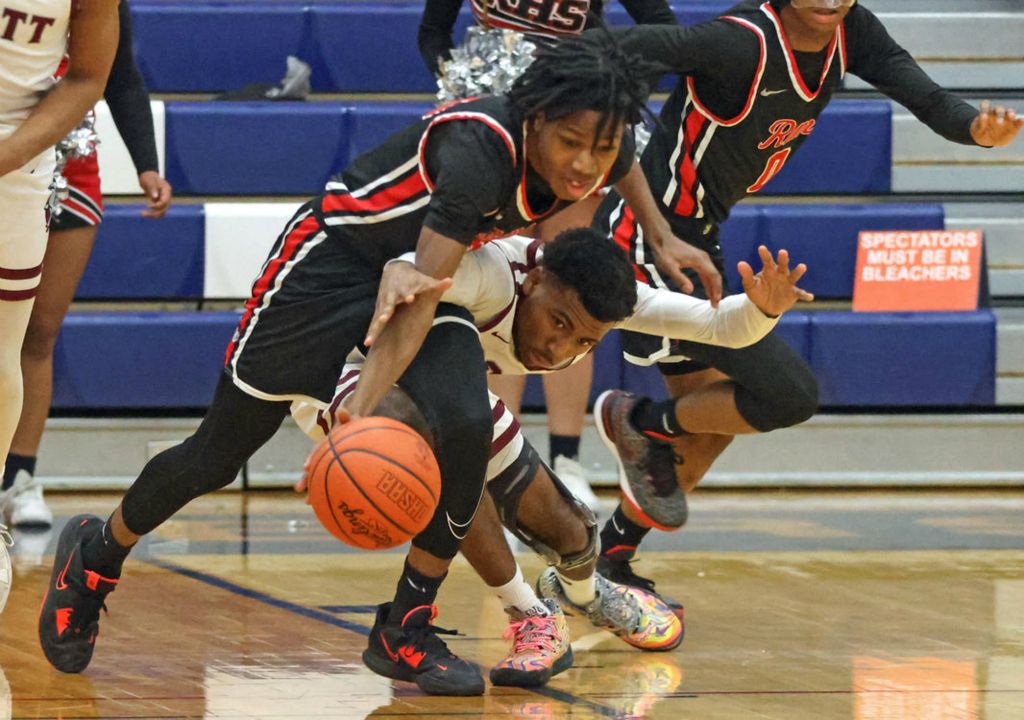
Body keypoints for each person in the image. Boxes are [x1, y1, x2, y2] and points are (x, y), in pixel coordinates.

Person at [37, 36, 717, 697]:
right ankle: (97, 556)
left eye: (596, 148)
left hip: (429, 277)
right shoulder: (481, 152)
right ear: (537, 120)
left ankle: (404, 626)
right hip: (331, 267)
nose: (582, 166)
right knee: (218, 454)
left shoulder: (596, 132)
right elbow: (413, 295)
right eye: (570, 144)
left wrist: (659, 235)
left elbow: (619, 151)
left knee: (462, 423)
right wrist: (356, 416)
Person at [583, 0, 1024, 612]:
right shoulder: (739, 43)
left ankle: (613, 558)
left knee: (709, 421)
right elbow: (617, 53)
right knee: (785, 396)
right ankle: (633, 431)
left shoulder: (852, 31)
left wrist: (975, 129)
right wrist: (610, 135)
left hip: (700, 239)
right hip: (647, 241)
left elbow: (922, 93)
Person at [294, 227, 812, 685]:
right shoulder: (491, 273)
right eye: (558, 323)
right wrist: (358, 412)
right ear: (536, 281)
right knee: (449, 453)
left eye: (583, 341)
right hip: (349, 378)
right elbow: (409, 266)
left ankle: (584, 595)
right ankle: (527, 617)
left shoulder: (608, 303)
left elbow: (720, 326)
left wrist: (762, 308)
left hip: (451, 396)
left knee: (568, 531)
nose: (561, 347)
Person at [417, 0, 685, 510]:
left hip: (572, 125)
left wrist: (612, 95)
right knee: (500, 286)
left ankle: (566, 460)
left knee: (567, 294)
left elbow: (662, 27)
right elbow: (432, 30)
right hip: (499, 124)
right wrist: (458, 84)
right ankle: (495, 460)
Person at [1, 0, 173, 530]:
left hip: (63, 159)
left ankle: (19, 477)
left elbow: (118, 75)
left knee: (39, 331)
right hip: (20, 144)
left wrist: (147, 162)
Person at [0, 0, 119, 513]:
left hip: (16, 163)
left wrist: (5, 158)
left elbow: (92, 76)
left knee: (10, 350)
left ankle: (11, 483)